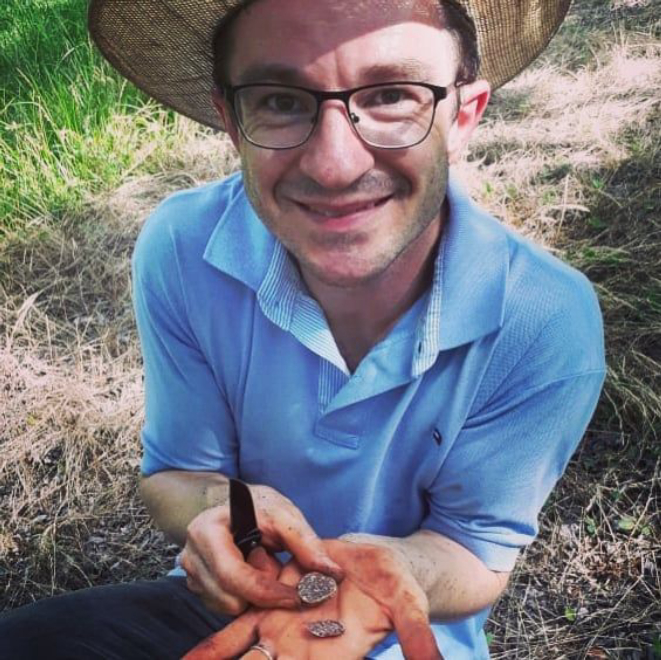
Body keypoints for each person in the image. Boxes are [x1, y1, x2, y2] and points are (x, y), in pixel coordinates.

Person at [0, 0, 606, 658]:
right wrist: (225, 507)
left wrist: (390, 573)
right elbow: (176, 474)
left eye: (391, 95)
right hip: (221, 613)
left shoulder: (543, 319)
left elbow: (473, 551)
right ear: (231, 120)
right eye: (281, 101)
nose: (333, 166)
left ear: (461, 117)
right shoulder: (181, 247)